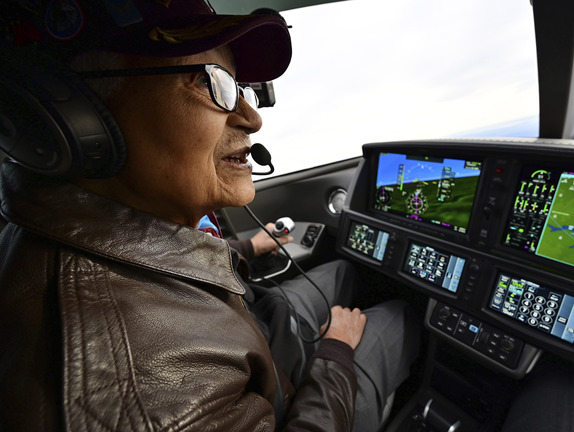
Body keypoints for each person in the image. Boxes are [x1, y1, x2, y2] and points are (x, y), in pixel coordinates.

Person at [0, 1, 420, 431]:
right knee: (402, 316)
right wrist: (334, 354)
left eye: (242, 89)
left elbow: (159, 259)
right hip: (291, 395)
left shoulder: (87, 228)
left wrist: (247, 247)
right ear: (75, 118)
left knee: (342, 274)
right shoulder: (149, 395)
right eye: (215, 84)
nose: (251, 118)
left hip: (253, 329)